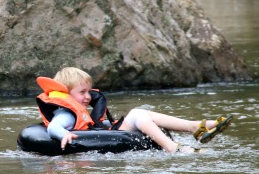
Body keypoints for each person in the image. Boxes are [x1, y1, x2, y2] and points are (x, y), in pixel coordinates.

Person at [36, 67, 233, 153]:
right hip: (104, 138)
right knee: (137, 114)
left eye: (89, 91)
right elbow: (54, 127)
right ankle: (173, 148)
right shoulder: (66, 113)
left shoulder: (80, 108)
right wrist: (64, 135)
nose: (88, 97)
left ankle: (195, 126)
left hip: (105, 132)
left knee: (143, 113)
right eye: (82, 92)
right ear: (67, 95)